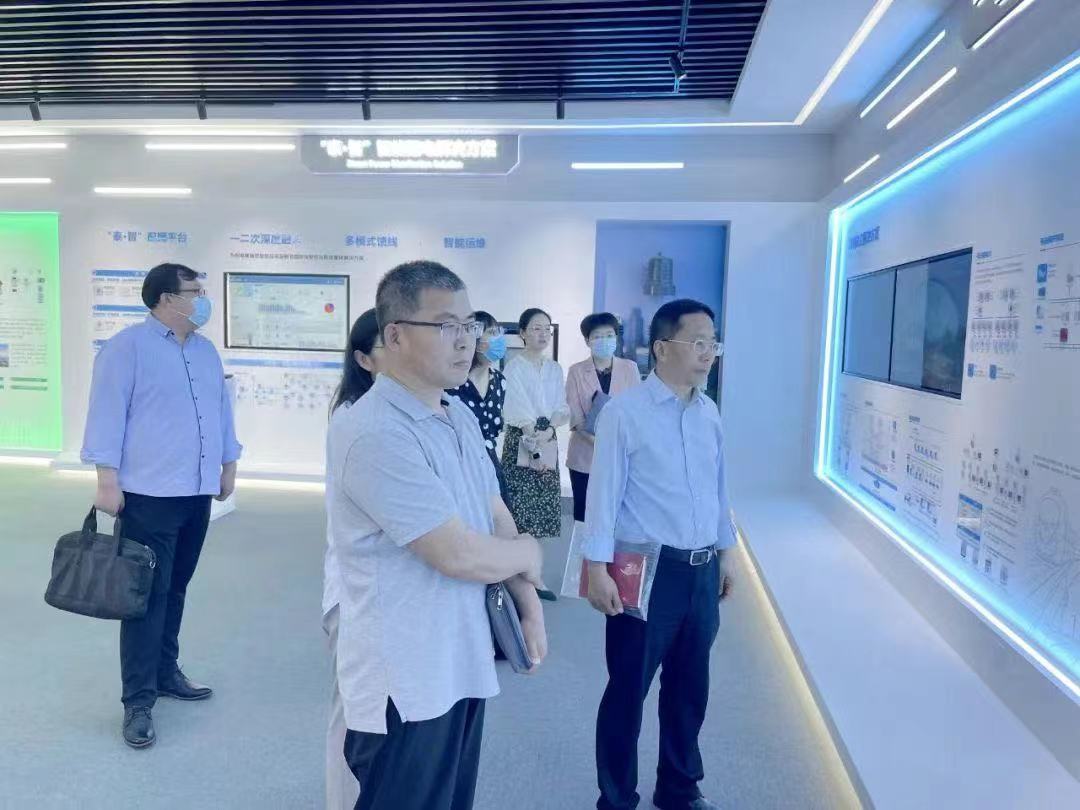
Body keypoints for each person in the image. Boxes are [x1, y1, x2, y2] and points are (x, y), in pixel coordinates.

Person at [327, 260, 548, 810]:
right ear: (395, 335)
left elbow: (493, 511)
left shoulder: (458, 415)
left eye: (469, 325)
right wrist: (527, 551)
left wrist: (528, 602)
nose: (466, 340)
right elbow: (454, 553)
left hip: (461, 658)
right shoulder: (373, 431)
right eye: (446, 326)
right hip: (408, 679)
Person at [582, 299, 735, 810]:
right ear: (663, 348)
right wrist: (596, 569)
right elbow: (602, 497)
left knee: (690, 690)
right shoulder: (625, 413)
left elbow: (718, 490)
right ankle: (616, 798)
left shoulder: (709, 412)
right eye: (699, 342)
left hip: (700, 570)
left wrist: (727, 552)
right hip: (645, 571)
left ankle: (679, 788)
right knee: (628, 691)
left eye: (713, 343)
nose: (709, 353)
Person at [81, 262, 242, 750]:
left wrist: (228, 464)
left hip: (194, 494)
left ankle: (166, 671)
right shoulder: (126, 348)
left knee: (175, 588)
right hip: (148, 494)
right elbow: (106, 414)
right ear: (167, 299)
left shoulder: (205, 351)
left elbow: (221, 411)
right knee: (144, 598)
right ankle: (138, 701)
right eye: (195, 290)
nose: (203, 299)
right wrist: (106, 480)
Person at [323, 308, 384, 810]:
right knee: (355, 712)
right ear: (364, 359)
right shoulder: (355, 421)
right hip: (356, 592)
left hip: (384, 591)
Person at [502, 307, 570, 600]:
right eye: (536, 328)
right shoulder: (513, 368)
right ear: (523, 333)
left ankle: (532, 575)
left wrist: (550, 429)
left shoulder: (554, 368)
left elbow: (562, 406)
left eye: (547, 329)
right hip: (522, 438)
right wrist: (535, 438)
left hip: (547, 436)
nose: (543, 334)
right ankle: (520, 577)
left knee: (541, 511)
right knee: (520, 511)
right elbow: (517, 408)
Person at [565, 312, 641, 527]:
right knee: (584, 517)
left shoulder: (630, 368)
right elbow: (575, 415)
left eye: (609, 335)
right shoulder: (576, 371)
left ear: (616, 338)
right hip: (584, 457)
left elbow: (637, 411)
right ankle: (584, 551)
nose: (604, 340)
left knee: (618, 516)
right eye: (598, 336)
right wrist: (602, 443)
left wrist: (618, 444)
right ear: (587, 341)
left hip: (621, 456)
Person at [447, 311, 509, 501]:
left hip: (490, 467)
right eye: (492, 333)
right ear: (475, 339)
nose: (498, 339)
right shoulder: (452, 382)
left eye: (499, 332)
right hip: (459, 469)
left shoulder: (499, 381)